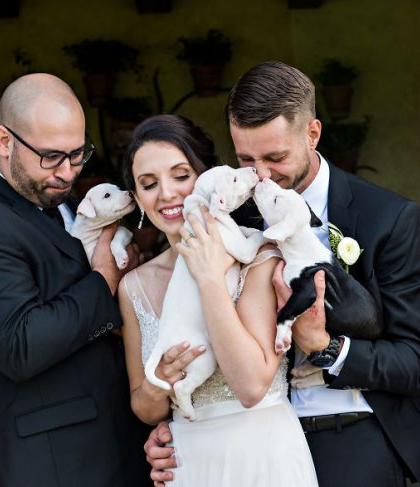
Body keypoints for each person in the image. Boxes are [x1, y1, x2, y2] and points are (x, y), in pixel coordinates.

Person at [145, 61, 420, 487]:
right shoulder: (231, 216)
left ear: (313, 133)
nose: (261, 173)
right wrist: (172, 429)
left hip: (355, 431)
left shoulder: (390, 218)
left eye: (275, 156)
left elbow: (413, 364)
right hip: (256, 446)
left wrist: (325, 347)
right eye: (246, 158)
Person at [0, 73, 149, 487]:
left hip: (122, 449)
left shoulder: (75, 208)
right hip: (45, 465)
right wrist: (105, 282)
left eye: (77, 155)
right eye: (51, 156)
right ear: (4, 141)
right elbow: (20, 345)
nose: (67, 172)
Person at [118, 113, 318, 486]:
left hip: (264, 455)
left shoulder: (258, 256)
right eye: (148, 184)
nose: (166, 193)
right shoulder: (135, 286)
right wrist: (159, 381)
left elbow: (252, 387)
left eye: (181, 176)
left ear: (208, 177)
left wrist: (209, 279)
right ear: (136, 199)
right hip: (188, 463)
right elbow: (144, 409)